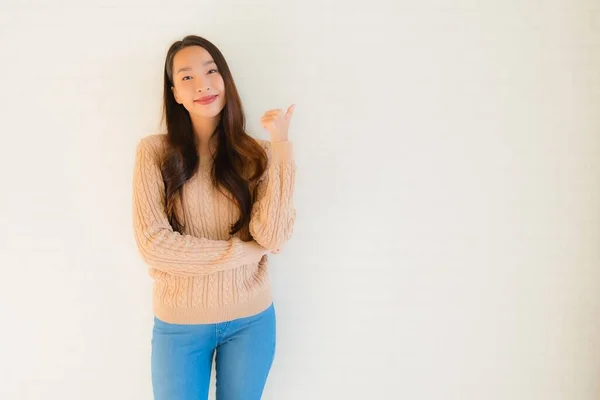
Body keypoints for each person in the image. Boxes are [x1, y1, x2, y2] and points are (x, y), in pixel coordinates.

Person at [131, 34, 296, 400]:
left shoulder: (258, 155)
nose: (202, 83)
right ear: (174, 92)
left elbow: (273, 235)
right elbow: (155, 246)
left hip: (251, 320)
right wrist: (245, 253)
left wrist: (281, 147)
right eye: (186, 76)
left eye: (211, 71)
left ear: (225, 79)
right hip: (180, 324)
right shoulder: (154, 153)